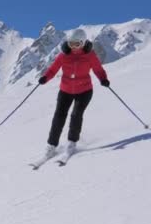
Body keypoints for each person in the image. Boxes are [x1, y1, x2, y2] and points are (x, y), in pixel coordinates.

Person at [38, 29, 110, 157]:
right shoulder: (63, 55)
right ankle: (51, 145)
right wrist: (45, 78)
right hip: (65, 91)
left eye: (77, 44)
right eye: (71, 44)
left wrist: (103, 79)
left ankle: (71, 143)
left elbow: (98, 70)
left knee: (76, 115)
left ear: (83, 43)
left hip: (84, 91)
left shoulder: (90, 55)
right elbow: (53, 69)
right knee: (59, 117)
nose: (73, 47)